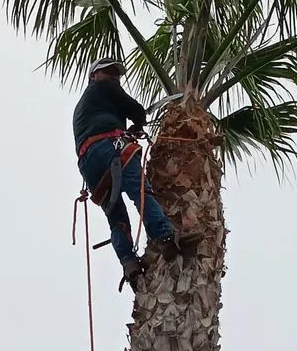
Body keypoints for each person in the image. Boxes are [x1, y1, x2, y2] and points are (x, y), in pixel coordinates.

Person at [73, 58, 202, 291]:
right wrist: (140, 120)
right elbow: (135, 110)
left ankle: (129, 263)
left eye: (116, 74)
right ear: (93, 76)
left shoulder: (85, 106)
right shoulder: (103, 87)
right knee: (140, 190)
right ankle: (164, 236)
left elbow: (101, 123)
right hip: (110, 146)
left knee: (116, 216)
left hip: (87, 162)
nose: (114, 77)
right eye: (108, 72)